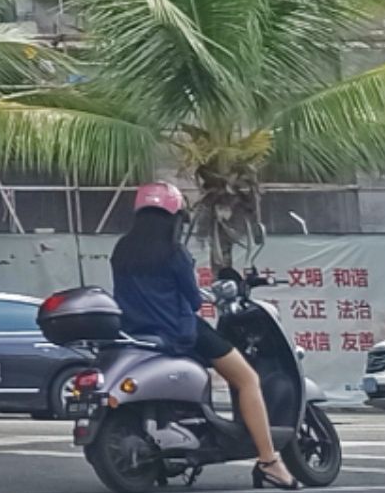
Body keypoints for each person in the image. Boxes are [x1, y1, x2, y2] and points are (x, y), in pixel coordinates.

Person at [111, 182, 295, 489]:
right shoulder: (174, 253)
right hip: (181, 331)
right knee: (248, 379)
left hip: (134, 333)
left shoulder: (122, 250)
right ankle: (269, 461)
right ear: (174, 217)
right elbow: (195, 301)